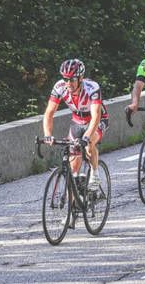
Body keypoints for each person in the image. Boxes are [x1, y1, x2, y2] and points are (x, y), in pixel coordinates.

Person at [43, 59, 108, 195]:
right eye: (65, 79)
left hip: (96, 120)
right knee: (73, 169)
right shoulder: (60, 87)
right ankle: (74, 205)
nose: (68, 83)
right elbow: (49, 113)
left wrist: (86, 137)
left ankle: (95, 176)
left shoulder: (92, 87)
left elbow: (96, 116)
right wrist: (48, 134)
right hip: (77, 120)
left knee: (89, 144)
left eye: (72, 79)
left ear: (80, 78)